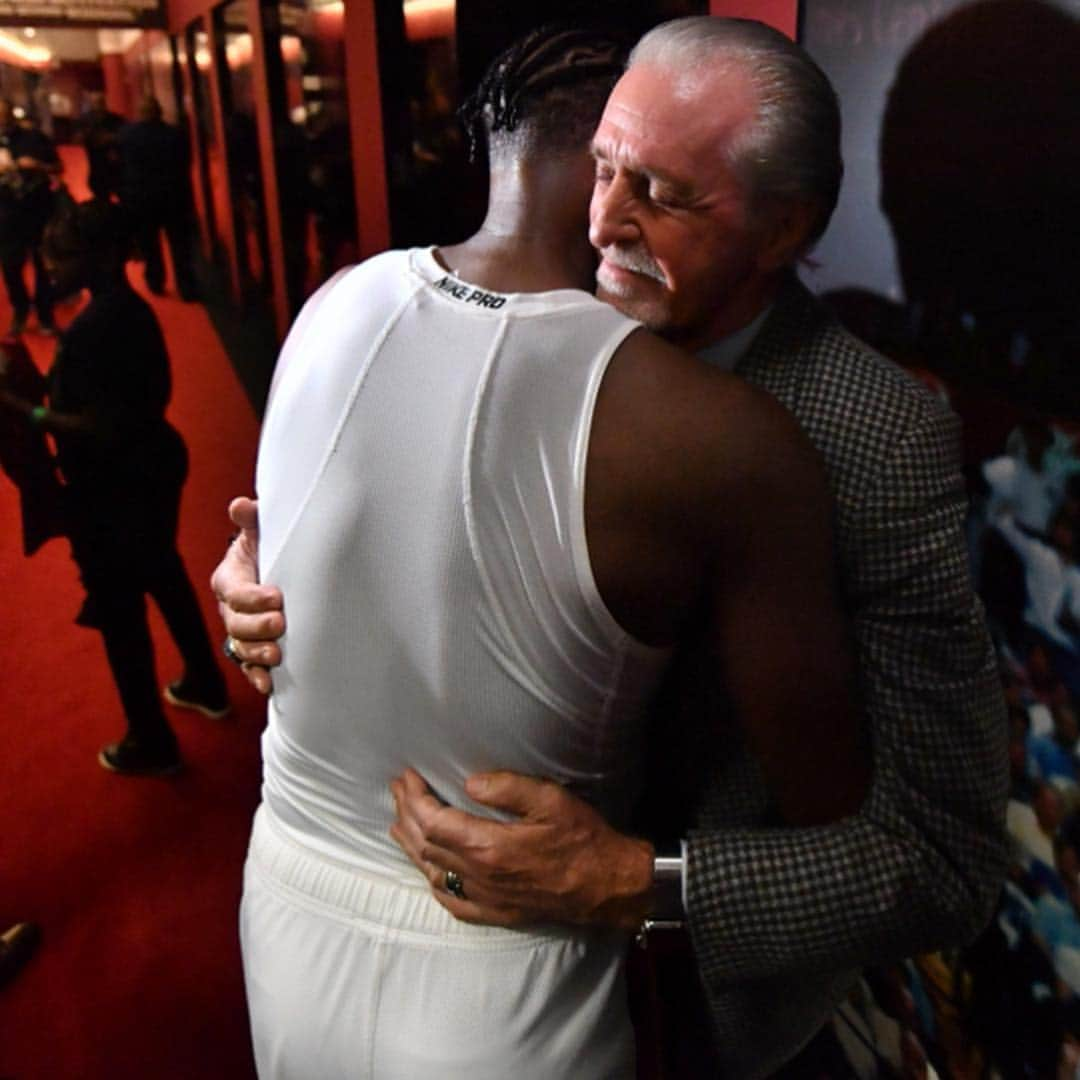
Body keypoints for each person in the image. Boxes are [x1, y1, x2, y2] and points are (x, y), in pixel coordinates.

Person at [216, 17, 1009, 1077]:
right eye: (603, 168)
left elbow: (946, 862)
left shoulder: (877, 440)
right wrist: (269, 587)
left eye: (666, 196)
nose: (603, 224)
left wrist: (637, 881)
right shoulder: (533, 311)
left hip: (710, 1012)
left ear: (786, 230)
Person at [0, 199, 227, 775]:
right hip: (153, 464)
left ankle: (150, 740)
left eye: (63, 253)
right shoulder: (130, 311)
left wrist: (25, 414)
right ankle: (206, 681)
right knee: (164, 572)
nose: (49, 262)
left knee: (121, 612)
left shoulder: (94, 328)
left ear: (99, 257)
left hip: (114, 487)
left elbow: (101, 425)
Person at [118, 96, 199, 301]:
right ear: (159, 112)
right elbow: (185, 163)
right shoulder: (175, 135)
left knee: (149, 243)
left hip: (141, 198)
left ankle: (155, 280)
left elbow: (120, 166)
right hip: (173, 196)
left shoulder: (127, 135)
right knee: (180, 245)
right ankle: (186, 285)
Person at [0, 98, 59, 336]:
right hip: (5, 213)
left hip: (37, 210)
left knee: (42, 266)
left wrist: (36, 165)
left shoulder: (33, 138)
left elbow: (57, 166)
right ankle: (21, 309)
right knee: (10, 266)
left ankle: (46, 316)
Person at [77, 91, 125, 202]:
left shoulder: (115, 119)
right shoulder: (85, 120)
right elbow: (78, 138)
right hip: (97, 166)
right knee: (102, 198)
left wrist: (111, 138)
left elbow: (124, 136)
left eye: (100, 102)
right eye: (96, 103)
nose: (98, 106)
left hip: (114, 166)